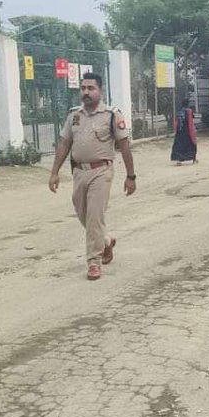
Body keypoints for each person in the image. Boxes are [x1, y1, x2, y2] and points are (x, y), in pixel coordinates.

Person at [48, 72, 136, 280]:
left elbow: (124, 146)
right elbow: (64, 144)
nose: (86, 92)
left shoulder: (112, 115)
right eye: (83, 88)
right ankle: (105, 241)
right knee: (82, 214)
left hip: (101, 171)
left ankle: (93, 262)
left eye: (91, 88)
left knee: (95, 216)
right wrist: (54, 172)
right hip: (79, 171)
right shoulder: (74, 115)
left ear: (100, 91)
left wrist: (131, 176)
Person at [170, 96, 198, 165]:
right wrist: (193, 131)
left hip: (180, 132)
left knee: (180, 146)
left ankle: (179, 160)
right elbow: (190, 121)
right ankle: (194, 160)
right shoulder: (189, 111)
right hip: (188, 132)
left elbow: (176, 122)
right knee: (192, 145)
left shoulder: (179, 111)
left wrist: (176, 130)